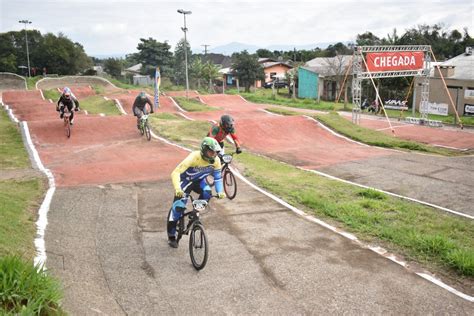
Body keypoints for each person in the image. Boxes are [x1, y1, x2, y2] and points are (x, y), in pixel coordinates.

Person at [167, 137, 226, 248]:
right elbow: (175, 173)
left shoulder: (216, 160)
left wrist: (220, 191)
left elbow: (217, 178)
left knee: (207, 192)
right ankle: (171, 236)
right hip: (185, 182)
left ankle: (195, 211)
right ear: (204, 150)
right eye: (211, 152)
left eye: (215, 152)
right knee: (177, 209)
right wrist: (177, 189)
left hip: (199, 182)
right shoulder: (194, 157)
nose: (214, 155)